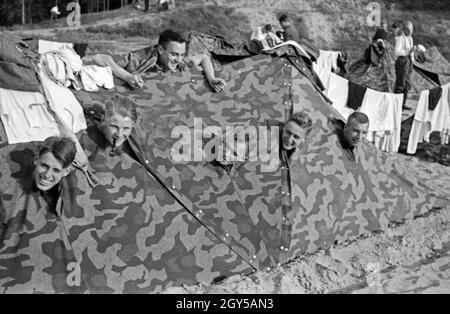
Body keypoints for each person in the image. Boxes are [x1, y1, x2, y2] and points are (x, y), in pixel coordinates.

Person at [88, 29, 226, 92]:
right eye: (174, 54)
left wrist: (212, 79)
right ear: (160, 50)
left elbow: (204, 57)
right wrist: (128, 77)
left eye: (181, 54)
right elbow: (98, 58)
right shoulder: (142, 58)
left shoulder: (181, 61)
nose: (178, 59)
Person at [394, 21, 415, 110]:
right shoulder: (400, 39)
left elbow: (411, 52)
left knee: (407, 84)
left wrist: (412, 60)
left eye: (411, 29)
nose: (410, 31)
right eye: (408, 29)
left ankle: (403, 104)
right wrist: (408, 51)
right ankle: (396, 106)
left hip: (409, 61)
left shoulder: (411, 39)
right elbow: (397, 52)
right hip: (402, 61)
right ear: (404, 29)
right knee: (400, 83)